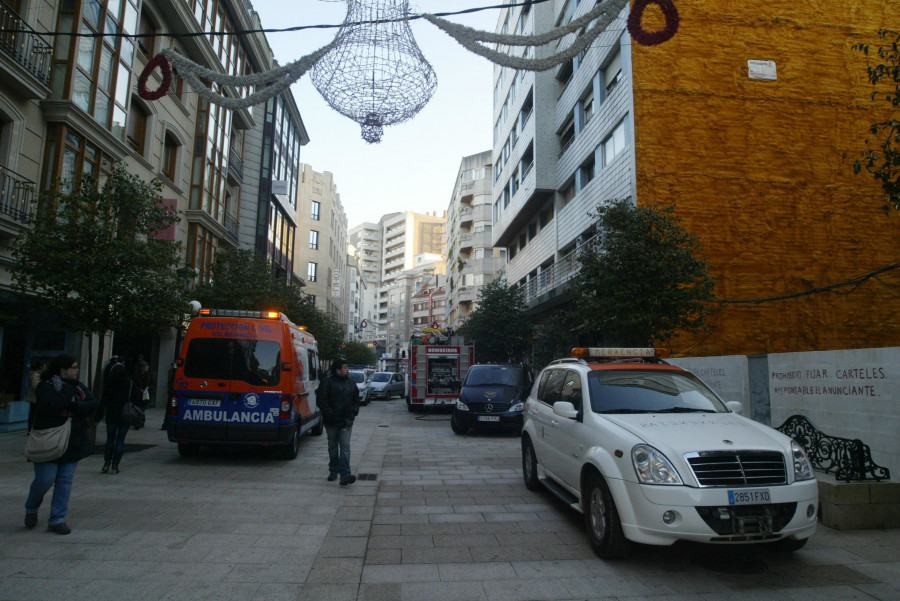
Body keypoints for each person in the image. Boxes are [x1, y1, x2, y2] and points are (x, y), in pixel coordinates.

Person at [24, 354, 98, 535]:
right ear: (62, 370)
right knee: (45, 479)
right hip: (50, 439)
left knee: (65, 480)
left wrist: (74, 406)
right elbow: (52, 406)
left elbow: (92, 404)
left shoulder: (78, 386)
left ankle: (57, 518)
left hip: (73, 441)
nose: (76, 370)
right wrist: (71, 399)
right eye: (73, 367)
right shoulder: (46, 386)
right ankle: (31, 507)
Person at [318, 359, 360, 485]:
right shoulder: (327, 382)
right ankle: (333, 470)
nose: (347, 370)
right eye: (345, 367)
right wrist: (331, 415)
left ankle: (345, 475)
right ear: (338, 370)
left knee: (345, 447)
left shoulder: (351, 383)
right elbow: (322, 401)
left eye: (347, 367)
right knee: (333, 446)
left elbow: (356, 399)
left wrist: (353, 412)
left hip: (346, 421)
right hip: (332, 422)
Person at [95, 356, 132, 474]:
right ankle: (115, 464)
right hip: (125, 415)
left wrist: (98, 417)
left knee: (110, 439)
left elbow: (103, 402)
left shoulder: (109, 385)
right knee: (120, 440)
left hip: (112, 414)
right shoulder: (129, 384)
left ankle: (106, 463)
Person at [25, 358, 46, 432]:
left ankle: (31, 428)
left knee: (33, 413)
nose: (45, 367)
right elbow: (35, 385)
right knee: (34, 414)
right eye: (44, 366)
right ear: (40, 367)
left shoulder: (35, 374)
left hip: (35, 397)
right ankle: (31, 428)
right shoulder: (36, 375)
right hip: (35, 397)